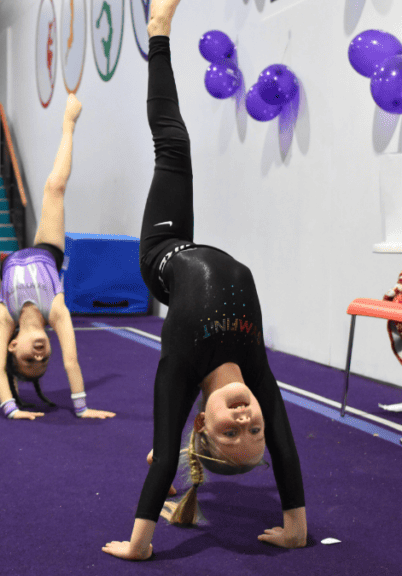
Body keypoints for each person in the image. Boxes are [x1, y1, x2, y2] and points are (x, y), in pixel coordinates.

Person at [101, 0, 305, 560]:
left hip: (165, 253)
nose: (245, 421)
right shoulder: (256, 374)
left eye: (229, 432)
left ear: (201, 425)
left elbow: (166, 455)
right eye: (252, 431)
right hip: (197, 250)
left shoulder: (181, 367)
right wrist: (295, 528)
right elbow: (286, 449)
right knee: (180, 148)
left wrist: (139, 545)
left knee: (174, 144)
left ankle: (158, 33)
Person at [0, 93, 114, 421]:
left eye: (29, 360)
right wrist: (81, 409)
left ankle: (8, 386)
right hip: (47, 250)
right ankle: (69, 123)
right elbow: (71, 361)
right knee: (54, 187)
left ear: (13, 346)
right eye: (43, 362)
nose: (40, 356)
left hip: (7, 268)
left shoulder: (6, 319)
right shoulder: (56, 312)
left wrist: (8, 404)